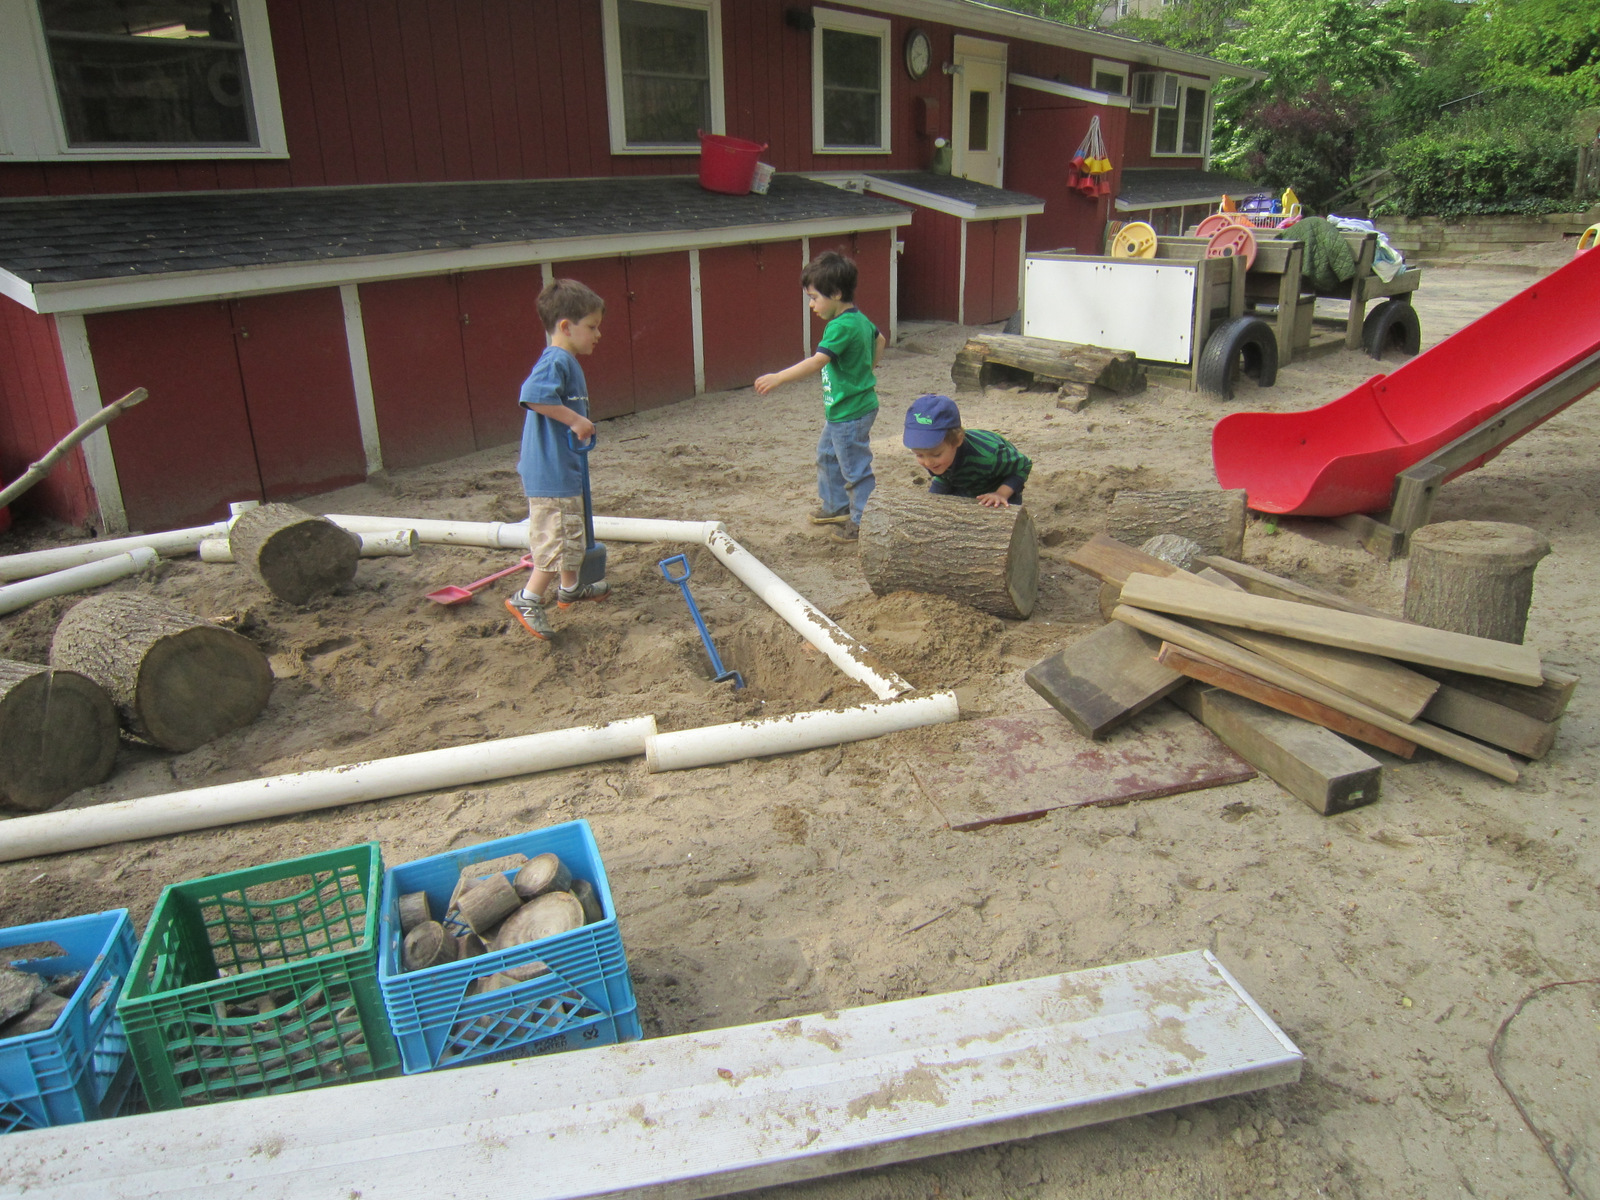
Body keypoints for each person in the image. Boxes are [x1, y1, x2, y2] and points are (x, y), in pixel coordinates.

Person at [504, 278, 611, 641]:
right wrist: (576, 419)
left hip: (564, 466)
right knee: (556, 540)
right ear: (566, 326)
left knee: (571, 533)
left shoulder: (568, 361)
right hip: (550, 471)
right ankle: (528, 598)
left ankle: (571, 588)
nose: (598, 334)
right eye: (592, 327)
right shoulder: (556, 359)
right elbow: (532, 396)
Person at [754, 251, 887, 544]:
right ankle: (835, 507)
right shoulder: (859, 319)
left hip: (849, 412)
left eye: (815, 298)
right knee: (827, 455)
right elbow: (880, 340)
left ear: (836, 293)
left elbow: (817, 362)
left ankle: (863, 522)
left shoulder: (840, 326)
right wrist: (867, 369)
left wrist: (778, 378)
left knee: (855, 468)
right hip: (848, 407)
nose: (812, 305)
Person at [902, 394, 1032, 507]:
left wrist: (1001, 493)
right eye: (919, 455)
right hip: (962, 482)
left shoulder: (989, 455)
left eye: (936, 454)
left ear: (958, 440)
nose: (928, 463)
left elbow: (1023, 466)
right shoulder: (938, 458)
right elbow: (943, 477)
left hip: (997, 486)